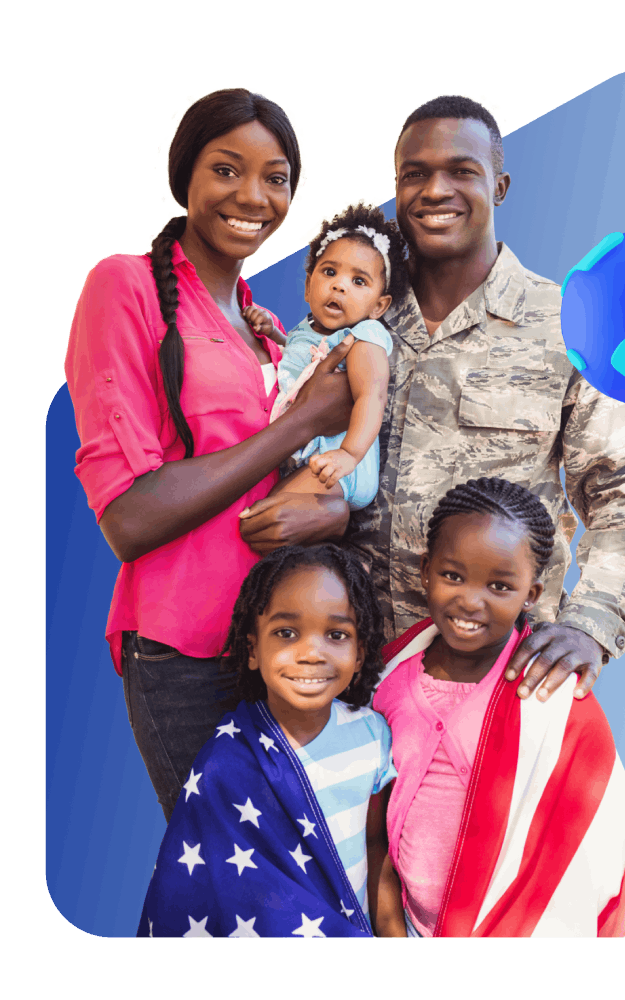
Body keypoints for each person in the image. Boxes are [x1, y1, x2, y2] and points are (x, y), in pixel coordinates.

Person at [240, 93, 625, 708]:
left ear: (499, 186)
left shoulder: (572, 326)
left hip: (493, 680)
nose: (434, 190)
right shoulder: (350, 314)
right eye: (414, 174)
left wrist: (592, 622)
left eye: (461, 171)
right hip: (343, 676)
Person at [64, 87, 356, 825]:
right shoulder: (124, 287)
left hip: (279, 645)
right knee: (229, 874)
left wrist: (325, 507)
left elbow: (293, 479)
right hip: (185, 652)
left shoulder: (268, 330)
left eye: (275, 178)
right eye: (227, 169)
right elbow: (129, 518)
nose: (253, 197)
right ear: (182, 175)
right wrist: (301, 422)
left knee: (300, 869)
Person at [372, 477, 625, 938]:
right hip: (406, 923)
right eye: (452, 576)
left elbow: (593, 839)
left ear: (531, 595)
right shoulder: (389, 683)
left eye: (499, 585)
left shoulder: (553, 701)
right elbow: (372, 821)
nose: (470, 601)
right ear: (425, 571)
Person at [136, 543, 407, 938]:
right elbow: (214, 892)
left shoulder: (372, 735)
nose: (311, 653)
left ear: (360, 654)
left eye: (336, 634)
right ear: (253, 650)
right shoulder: (226, 763)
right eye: (286, 633)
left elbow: (376, 847)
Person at [241, 198, 409, 510]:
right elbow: (300, 359)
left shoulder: (364, 336)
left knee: (264, 513)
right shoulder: (305, 329)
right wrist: (273, 333)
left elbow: (371, 396)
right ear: (308, 287)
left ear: (378, 306)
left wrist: (349, 454)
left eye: (359, 281)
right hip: (308, 459)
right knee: (261, 509)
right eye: (330, 272)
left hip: (340, 466)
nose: (339, 286)